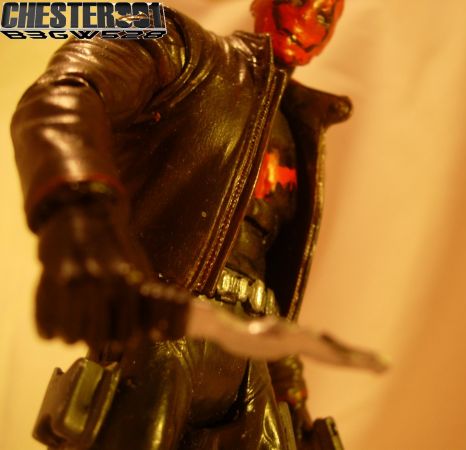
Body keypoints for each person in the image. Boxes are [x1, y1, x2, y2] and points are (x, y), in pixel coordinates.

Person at [11, 0, 351, 448]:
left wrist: (289, 384)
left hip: (251, 358)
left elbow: (268, 267)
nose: (307, 21)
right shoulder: (186, 51)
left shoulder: (298, 128)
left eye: (325, 15)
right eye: (297, 1)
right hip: (163, 333)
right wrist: (79, 213)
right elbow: (65, 91)